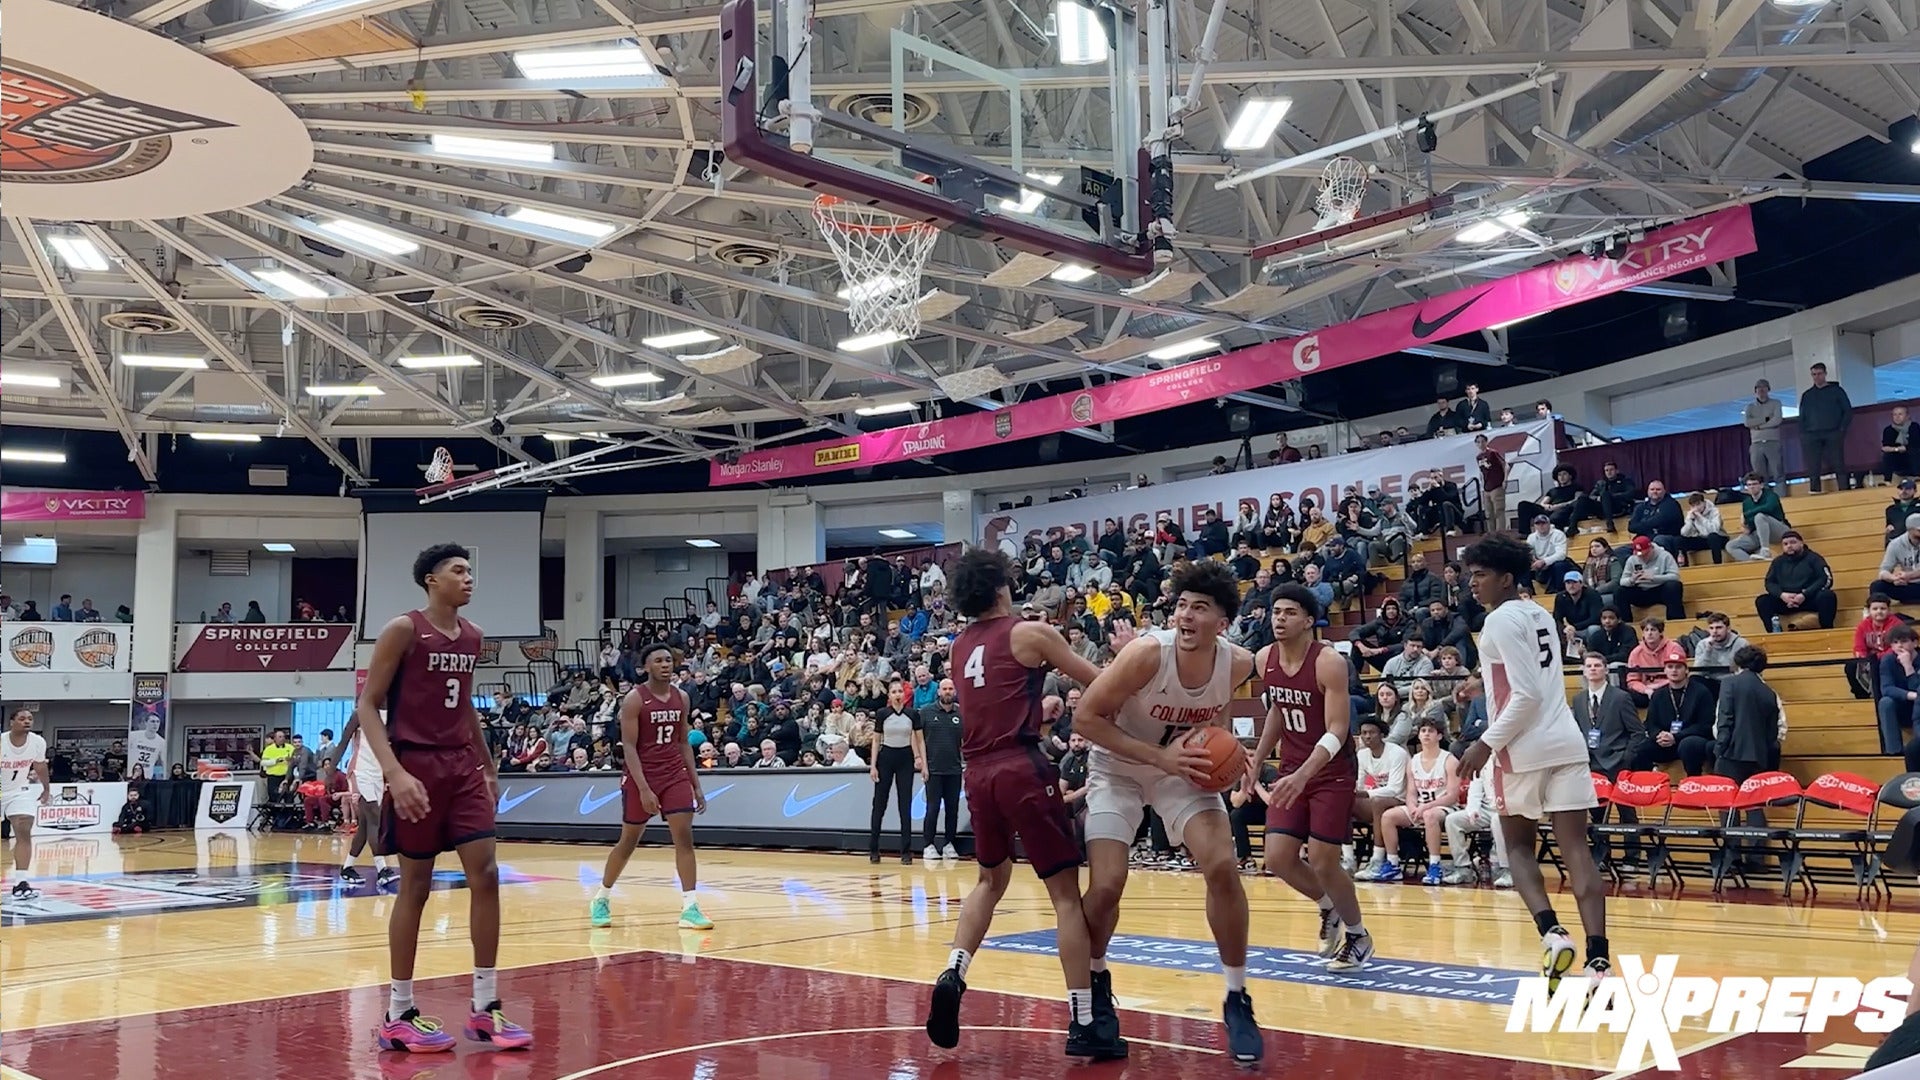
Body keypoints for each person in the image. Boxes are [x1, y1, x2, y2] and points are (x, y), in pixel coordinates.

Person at [924, 549, 1126, 1061]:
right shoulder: (1030, 632)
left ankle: (954, 971)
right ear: (999, 588)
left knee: (990, 881)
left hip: (979, 772)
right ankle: (1083, 1019)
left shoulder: (958, 646)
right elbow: (1101, 681)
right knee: (1064, 896)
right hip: (1021, 766)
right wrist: (1132, 657)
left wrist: (1040, 702)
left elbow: (998, 693)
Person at [1075, 560, 1262, 1064]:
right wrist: (1160, 756)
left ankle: (1237, 996)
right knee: (1108, 884)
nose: (1185, 615)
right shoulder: (1144, 654)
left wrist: (1225, 754)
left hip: (1181, 769)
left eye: (1200, 608)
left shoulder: (1239, 663)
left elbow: (1216, 715)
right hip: (1118, 766)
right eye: (1181, 604)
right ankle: (1094, 981)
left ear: (1222, 623)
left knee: (1223, 866)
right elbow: (1085, 718)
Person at [356, 543, 531, 1053]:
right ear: (432, 580)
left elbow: (468, 705)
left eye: (470, 570)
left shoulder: (473, 636)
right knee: (416, 886)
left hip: (462, 768)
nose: (468, 578)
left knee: (488, 874)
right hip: (417, 765)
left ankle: (484, 1007)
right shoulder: (403, 629)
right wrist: (394, 772)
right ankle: (398, 1012)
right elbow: (369, 705)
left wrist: (490, 765)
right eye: (459, 571)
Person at [1456, 534, 1611, 994]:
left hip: (1520, 749)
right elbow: (1530, 681)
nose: (1472, 584)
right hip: (1564, 740)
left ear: (1505, 578)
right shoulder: (1539, 612)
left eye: (1480, 575)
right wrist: (1478, 686)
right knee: (1577, 851)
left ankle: (1552, 931)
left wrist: (1485, 742)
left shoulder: (1498, 622)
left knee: (1518, 848)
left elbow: (1522, 696)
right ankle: (1598, 963)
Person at [1247, 584, 1370, 971]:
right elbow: (1278, 713)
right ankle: (1328, 907)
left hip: (1331, 772)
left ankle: (1357, 934)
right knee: (1278, 858)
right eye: (1275, 611)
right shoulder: (1264, 657)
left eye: (1288, 613)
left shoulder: (1328, 661)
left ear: (1307, 621)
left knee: (1322, 859)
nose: (1279, 619)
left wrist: (1303, 774)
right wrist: (1256, 762)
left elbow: (1336, 730)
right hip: (1292, 770)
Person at [591, 642, 711, 931]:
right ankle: (601, 897)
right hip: (641, 775)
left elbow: (683, 742)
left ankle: (690, 906)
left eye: (669, 660)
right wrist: (644, 788)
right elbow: (629, 748)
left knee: (684, 837)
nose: (666, 664)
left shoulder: (682, 697)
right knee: (629, 841)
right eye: (658, 660)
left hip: (674, 774)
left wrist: (696, 785)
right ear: (646, 667)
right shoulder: (634, 699)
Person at [334, 710, 396, 888]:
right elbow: (343, 742)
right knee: (375, 818)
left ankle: (347, 868)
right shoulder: (361, 713)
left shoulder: (392, 714)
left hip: (377, 773)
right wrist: (331, 771)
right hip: (360, 771)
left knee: (366, 825)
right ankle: (382, 869)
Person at [867, 684, 926, 863]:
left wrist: (924, 764)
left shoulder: (913, 714)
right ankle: (874, 849)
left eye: (900, 691)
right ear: (890, 696)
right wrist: (873, 765)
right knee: (879, 804)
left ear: (905, 694)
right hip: (886, 758)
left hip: (905, 759)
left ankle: (906, 852)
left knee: (905, 804)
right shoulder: (882, 714)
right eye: (894, 692)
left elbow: (920, 740)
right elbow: (876, 740)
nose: (897, 694)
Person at [1, 709, 50, 901]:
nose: (27, 721)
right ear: (11, 722)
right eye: (22, 719)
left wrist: (46, 788)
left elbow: (40, 766)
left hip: (18, 791)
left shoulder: (38, 742)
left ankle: (21, 882)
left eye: (30, 719)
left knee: (23, 828)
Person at [919, 677, 964, 861]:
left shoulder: (961, 714)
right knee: (932, 808)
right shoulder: (927, 712)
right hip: (933, 769)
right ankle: (928, 845)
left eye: (950, 689)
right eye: (944, 688)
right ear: (938, 692)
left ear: (955, 691)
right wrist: (920, 761)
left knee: (952, 809)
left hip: (954, 769)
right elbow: (917, 737)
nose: (947, 691)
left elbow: (965, 741)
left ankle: (948, 844)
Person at [1798, 362, 1854, 494]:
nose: (1816, 377)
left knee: (1838, 463)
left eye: (1819, 374)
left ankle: (1844, 491)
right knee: (1813, 466)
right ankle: (1815, 492)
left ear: (1825, 374)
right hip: (1812, 434)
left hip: (1833, 432)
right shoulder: (1807, 395)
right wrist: (1804, 433)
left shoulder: (1837, 391)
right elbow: (1802, 416)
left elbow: (1847, 411)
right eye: (1814, 374)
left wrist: (1841, 429)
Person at [1743, 379, 1784, 484]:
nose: (1761, 389)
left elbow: (1777, 420)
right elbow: (1747, 423)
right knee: (1759, 475)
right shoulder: (1750, 407)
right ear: (1755, 390)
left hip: (1772, 441)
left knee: (1777, 471)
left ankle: (1782, 497)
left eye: (1764, 387)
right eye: (1758, 387)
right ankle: (1764, 498)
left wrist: (1758, 426)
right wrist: (1766, 419)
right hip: (1756, 443)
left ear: (1768, 389)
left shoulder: (1776, 403)